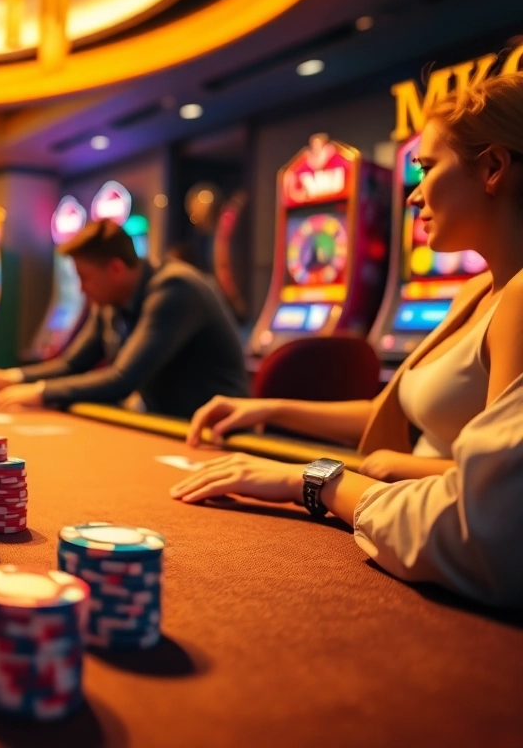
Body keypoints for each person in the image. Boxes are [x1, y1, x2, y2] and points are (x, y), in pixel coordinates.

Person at [170, 71, 523, 606]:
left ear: (493, 168)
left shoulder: (520, 299)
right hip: (389, 514)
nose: (412, 197)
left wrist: (320, 478)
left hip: (424, 549)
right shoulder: (474, 293)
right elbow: (392, 412)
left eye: (426, 168)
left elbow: (496, 512)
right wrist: (265, 409)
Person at [0, 219, 249, 418]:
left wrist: (40, 392)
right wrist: (11, 378)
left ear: (115, 268)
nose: (80, 288)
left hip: (219, 430)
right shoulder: (110, 301)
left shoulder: (174, 289)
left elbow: (122, 378)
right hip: (167, 422)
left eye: (84, 277)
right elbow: (72, 363)